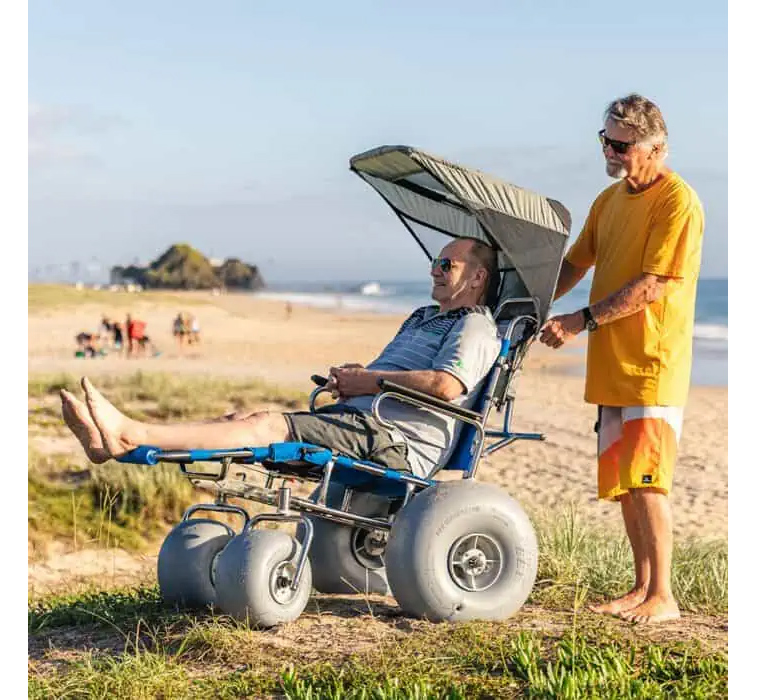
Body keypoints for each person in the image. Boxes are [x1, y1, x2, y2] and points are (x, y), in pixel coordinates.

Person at [61, 237, 501, 480]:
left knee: (268, 427)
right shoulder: (423, 316)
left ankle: (130, 433)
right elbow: (390, 376)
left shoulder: (477, 325)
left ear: (478, 277)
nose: (434, 270)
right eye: (435, 263)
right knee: (244, 418)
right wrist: (354, 379)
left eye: (448, 265)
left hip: (395, 441)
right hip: (364, 422)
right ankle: (118, 447)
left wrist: (368, 383)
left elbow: (446, 387)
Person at [538, 94, 704, 624]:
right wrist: (534, 302)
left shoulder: (677, 201)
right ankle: (641, 588)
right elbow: (576, 263)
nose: (609, 150)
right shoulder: (608, 201)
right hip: (611, 366)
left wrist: (579, 322)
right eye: (605, 139)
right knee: (626, 482)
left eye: (621, 143)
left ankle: (665, 596)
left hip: (652, 364)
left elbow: (651, 286)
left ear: (656, 147)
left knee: (650, 480)